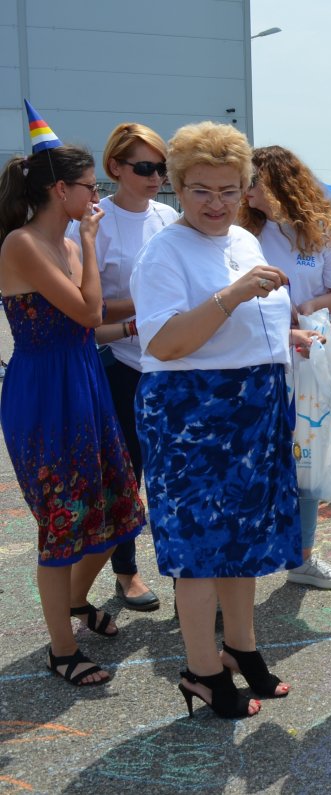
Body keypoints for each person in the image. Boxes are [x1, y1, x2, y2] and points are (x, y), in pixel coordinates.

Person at [132, 121, 310, 718]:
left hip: (253, 404)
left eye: (229, 190)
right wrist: (233, 296)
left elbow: (239, 328)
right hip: (193, 413)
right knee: (201, 550)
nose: (216, 203)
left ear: (245, 190)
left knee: (246, 542)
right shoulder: (163, 251)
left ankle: (242, 648)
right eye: (201, 190)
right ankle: (202, 670)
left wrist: (287, 335)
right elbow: (164, 342)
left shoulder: (243, 241)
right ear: (177, 189)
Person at [1, 132, 145, 687]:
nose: (97, 198)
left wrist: (154, 305)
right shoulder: (22, 245)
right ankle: (62, 650)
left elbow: (99, 315)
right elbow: (87, 312)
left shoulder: (59, 245)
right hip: (44, 396)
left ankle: (77, 603)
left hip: (84, 382)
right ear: (61, 190)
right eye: (91, 188)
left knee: (116, 509)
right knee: (61, 524)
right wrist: (89, 240)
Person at [64, 122, 176, 612]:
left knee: (172, 475)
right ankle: (126, 572)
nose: (156, 177)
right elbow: (82, 305)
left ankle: (184, 572)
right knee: (126, 476)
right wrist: (143, 307)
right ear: (114, 168)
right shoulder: (92, 222)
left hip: (171, 363)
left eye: (162, 167)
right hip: (121, 364)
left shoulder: (171, 217)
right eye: (145, 167)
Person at [240, 144, 331, 589]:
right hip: (256, 359)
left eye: (252, 181)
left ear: (278, 184)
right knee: (258, 462)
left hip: (310, 359)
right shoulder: (241, 231)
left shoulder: (321, 231)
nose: (244, 191)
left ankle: (302, 558)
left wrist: (308, 305)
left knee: (306, 461)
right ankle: (242, 561)